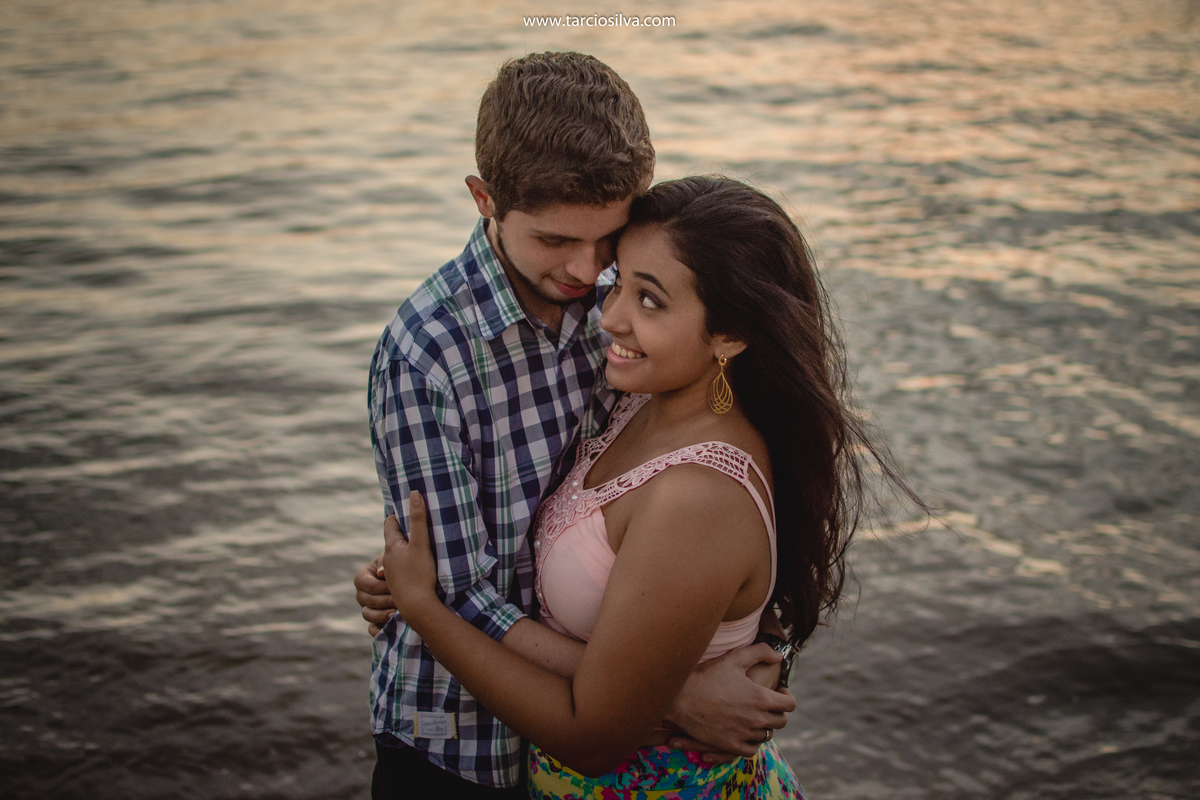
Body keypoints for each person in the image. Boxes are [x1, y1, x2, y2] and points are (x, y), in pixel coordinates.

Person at [356, 54, 796, 798]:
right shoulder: (428, 354)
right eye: (556, 241)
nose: (588, 271)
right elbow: (456, 590)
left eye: (609, 242)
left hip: (589, 745)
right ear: (484, 198)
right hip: (457, 741)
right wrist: (672, 696)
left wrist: (755, 635)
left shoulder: (628, 303)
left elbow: (712, 504)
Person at [381, 176, 902, 798]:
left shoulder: (697, 496)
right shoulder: (640, 405)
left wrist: (424, 609)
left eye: (649, 300)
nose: (609, 317)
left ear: (730, 334)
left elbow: (592, 739)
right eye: (619, 281)